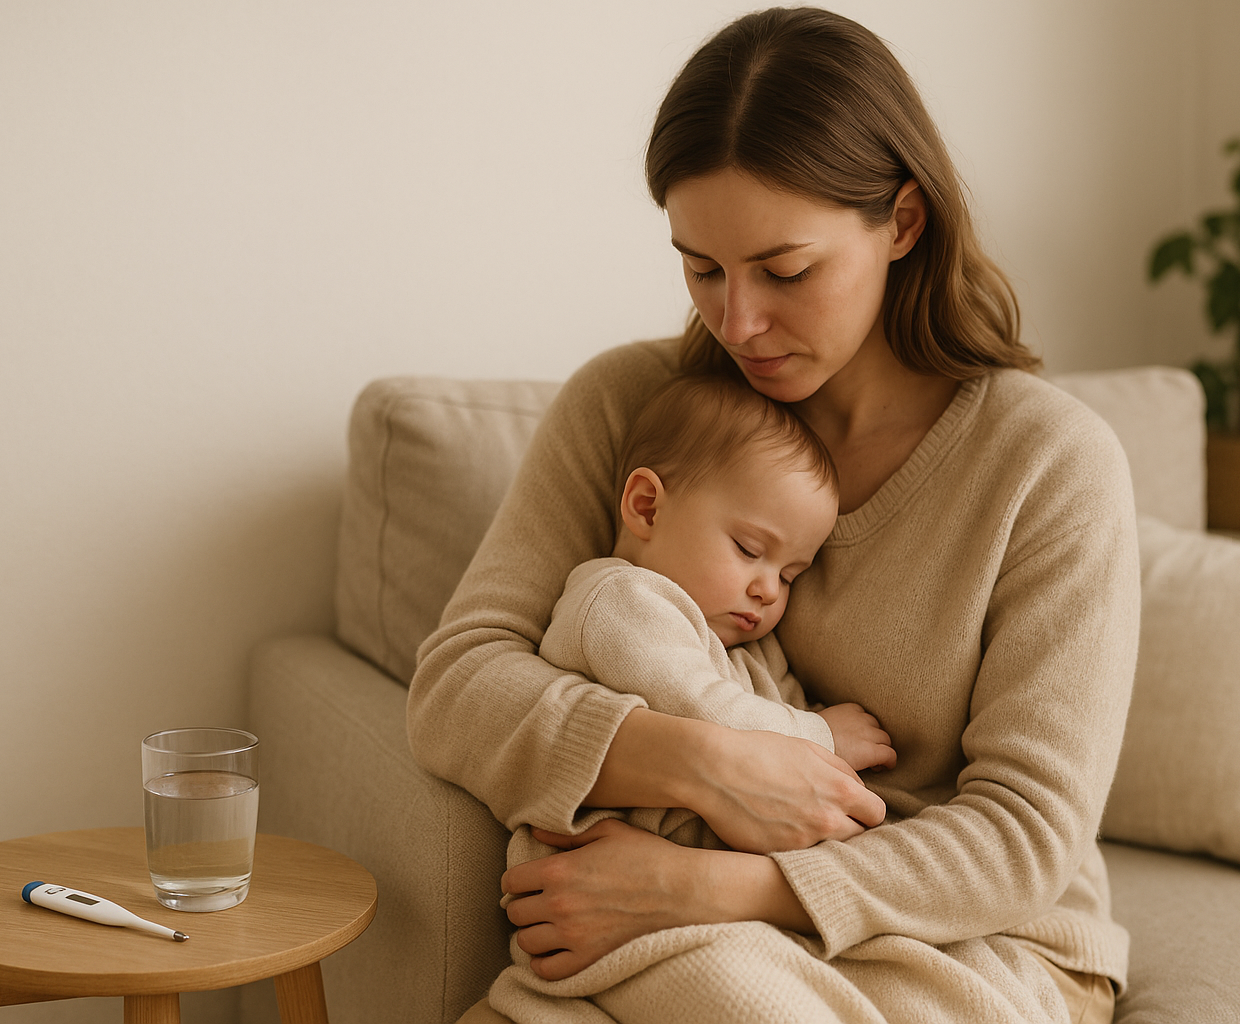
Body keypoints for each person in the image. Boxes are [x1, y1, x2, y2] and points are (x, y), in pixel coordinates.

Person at [409, 7, 1137, 1024]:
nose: (737, 321)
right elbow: (457, 685)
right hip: (666, 916)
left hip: (963, 940)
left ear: (904, 221)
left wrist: (706, 885)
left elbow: (1024, 839)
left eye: (785, 271)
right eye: (700, 268)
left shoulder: (1049, 465)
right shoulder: (631, 410)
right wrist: (711, 764)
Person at [518, 372, 894, 862]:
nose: (767, 591)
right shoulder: (620, 600)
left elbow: (786, 716)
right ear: (647, 508)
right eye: (749, 548)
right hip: (611, 883)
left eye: (790, 577)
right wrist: (824, 736)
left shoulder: (748, 646)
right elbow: (702, 710)